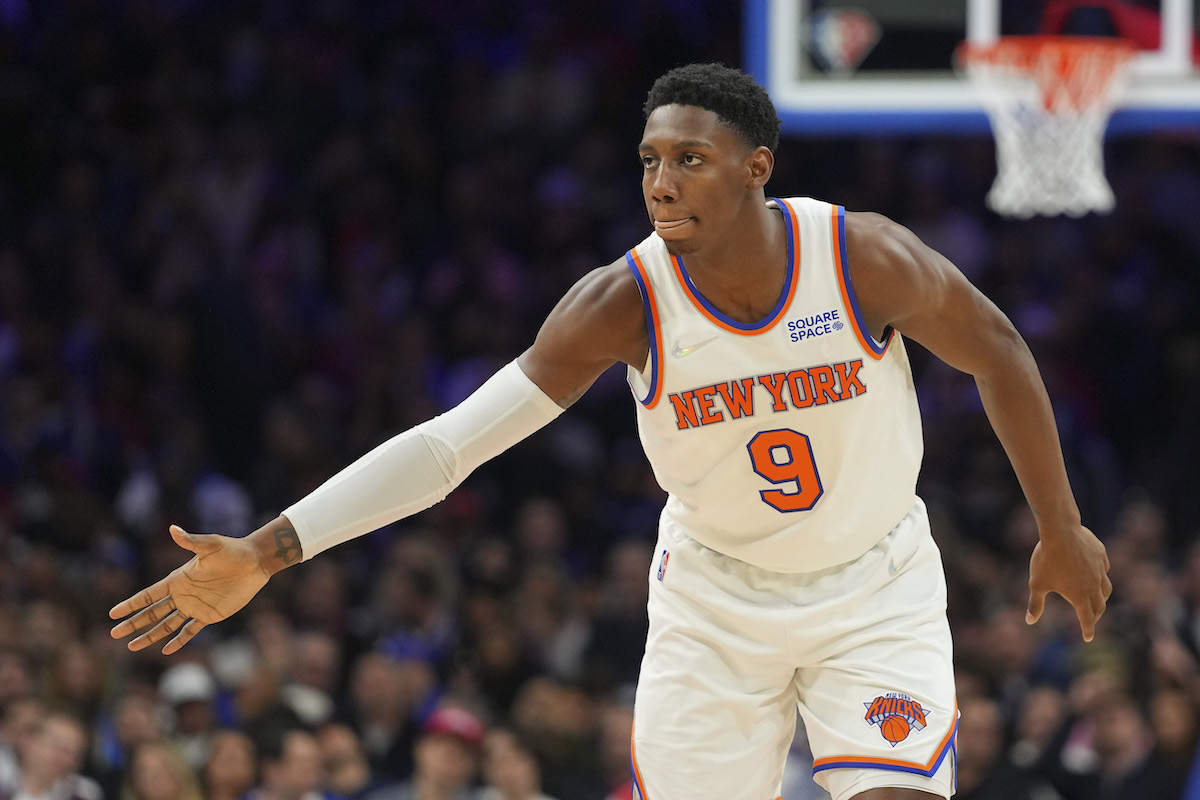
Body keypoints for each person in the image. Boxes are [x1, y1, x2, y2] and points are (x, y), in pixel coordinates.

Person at [108, 62, 1112, 800]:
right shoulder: (619, 303)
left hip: (874, 580)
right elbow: (453, 445)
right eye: (649, 161)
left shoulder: (861, 258)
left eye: (690, 158)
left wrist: (1061, 527)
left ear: (757, 167)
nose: (661, 180)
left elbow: (1001, 351)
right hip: (715, 601)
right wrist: (272, 549)